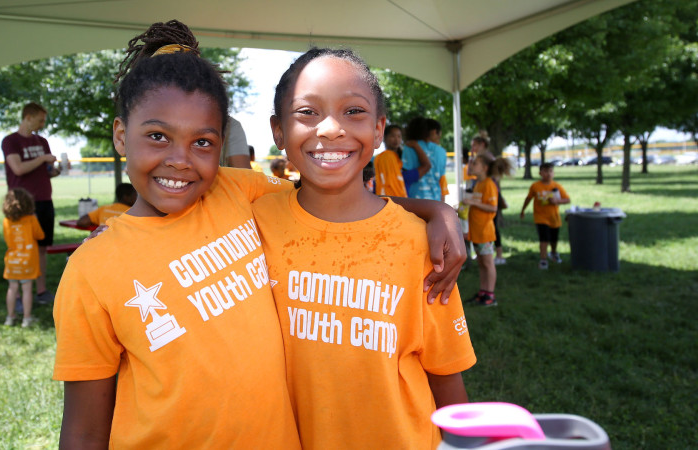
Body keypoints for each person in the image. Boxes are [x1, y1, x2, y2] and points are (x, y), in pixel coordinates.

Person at [54, 20, 466, 448]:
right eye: (157, 136)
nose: (179, 160)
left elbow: (330, 195)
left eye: (202, 143)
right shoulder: (92, 269)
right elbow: (83, 430)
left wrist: (436, 210)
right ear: (121, 135)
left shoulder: (236, 190)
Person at [253, 47, 475, 449]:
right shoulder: (252, 218)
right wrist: (437, 207)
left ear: (378, 129)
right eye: (307, 112)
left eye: (353, 111)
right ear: (278, 130)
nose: (331, 129)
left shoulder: (420, 242)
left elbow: (446, 372)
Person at [1, 102, 60, 305]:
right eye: (40, 119)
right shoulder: (11, 141)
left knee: (42, 247)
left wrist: (56, 169)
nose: (43, 123)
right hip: (21, 204)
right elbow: (17, 168)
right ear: (28, 117)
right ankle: (17, 294)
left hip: (44, 199)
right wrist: (43, 158)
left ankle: (41, 290)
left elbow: (47, 172)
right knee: (20, 248)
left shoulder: (42, 141)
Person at [2, 188, 44, 327]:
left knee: (12, 288)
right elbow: (40, 235)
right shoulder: (31, 219)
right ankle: (26, 318)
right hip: (28, 261)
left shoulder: (6, 221)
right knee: (27, 289)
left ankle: (10, 317)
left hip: (12, 261)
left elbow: (7, 240)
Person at [462, 153, 499, 306]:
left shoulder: (489, 184)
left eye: (475, 163)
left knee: (488, 263)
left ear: (485, 168)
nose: (472, 166)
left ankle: (490, 295)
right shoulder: (477, 184)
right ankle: (483, 292)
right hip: (476, 231)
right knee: (482, 263)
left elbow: (493, 207)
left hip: (485, 232)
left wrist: (473, 203)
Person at [520, 162, 571, 269]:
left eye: (550, 171)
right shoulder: (535, 186)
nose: (548, 174)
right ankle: (543, 260)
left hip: (554, 218)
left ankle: (553, 253)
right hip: (541, 217)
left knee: (554, 239)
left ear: (553, 173)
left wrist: (557, 201)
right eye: (545, 171)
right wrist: (523, 210)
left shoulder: (556, 186)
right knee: (544, 239)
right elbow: (528, 198)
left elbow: (567, 199)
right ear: (540, 173)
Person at [407, 118, 447, 201]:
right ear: (434, 132)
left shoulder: (409, 147)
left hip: (412, 203)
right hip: (435, 202)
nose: (439, 139)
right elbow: (442, 181)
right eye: (439, 136)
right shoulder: (442, 152)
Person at [373, 124, 407, 196]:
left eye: (399, 136)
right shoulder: (386, 156)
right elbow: (390, 183)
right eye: (393, 136)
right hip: (392, 199)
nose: (396, 139)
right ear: (384, 138)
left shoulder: (399, 158)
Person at [490, 158, 513, 265]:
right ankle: (496, 254)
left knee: (494, 229)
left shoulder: (490, 180)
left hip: (492, 205)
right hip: (494, 205)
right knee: (494, 229)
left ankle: (498, 255)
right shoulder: (493, 179)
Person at [401, 116, 432, 194]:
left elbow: (406, 172)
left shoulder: (408, 146)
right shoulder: (438, 149)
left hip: (413, 196)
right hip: (433, 196)